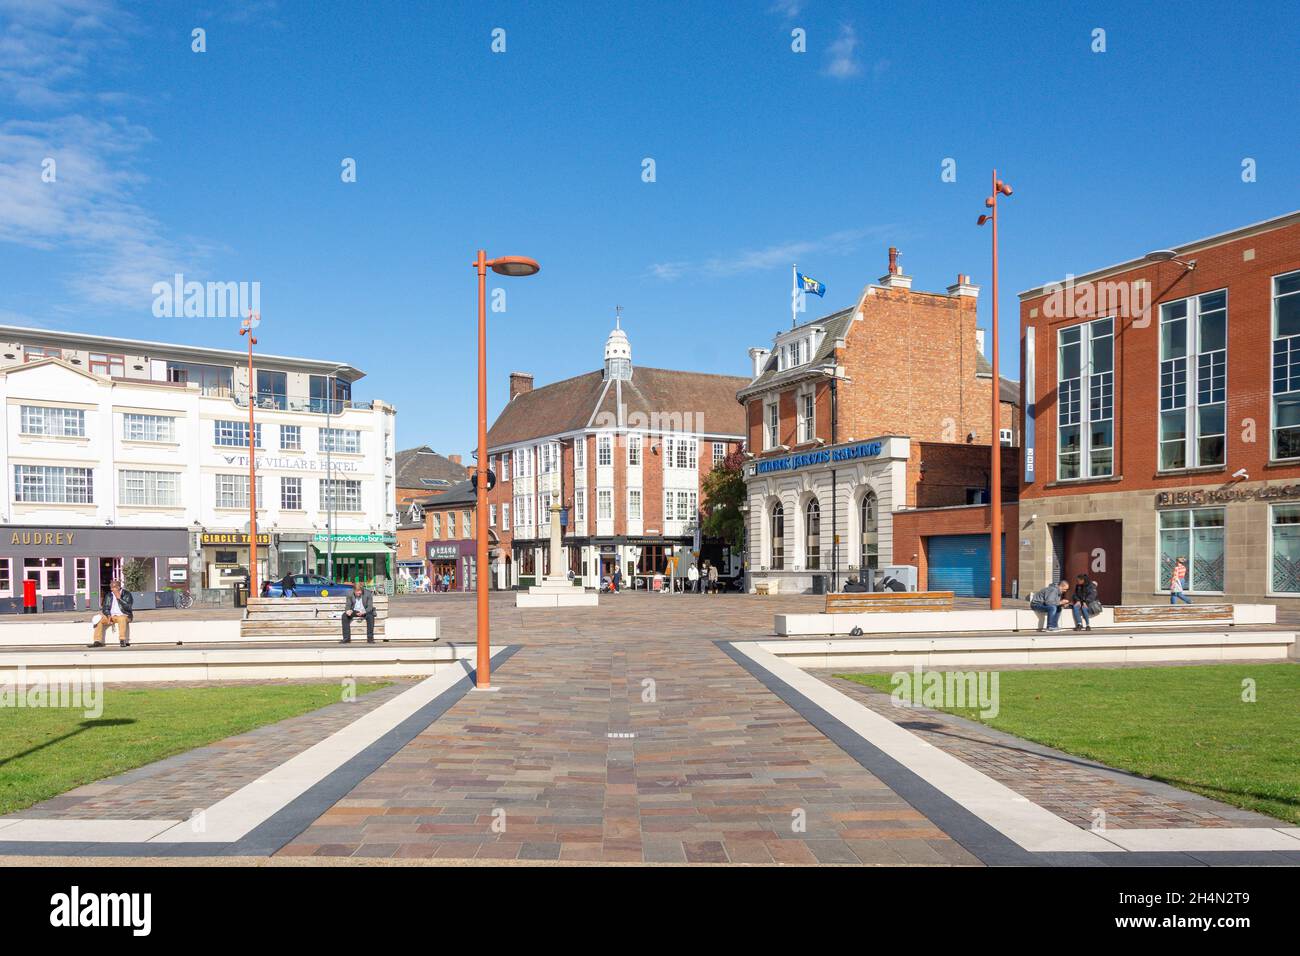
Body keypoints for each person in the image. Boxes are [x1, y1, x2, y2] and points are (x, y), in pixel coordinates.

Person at [93, 580, 133, 647]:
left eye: (113, 587)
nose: (112, 589)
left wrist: (120, 599)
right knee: (99, 619)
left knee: (121, 618)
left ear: (119, 587)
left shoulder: (127, 594)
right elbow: (105, 608)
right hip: (111, 616)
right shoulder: (109, 595)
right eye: (111, 587)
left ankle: (122, 640)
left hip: (125, 615)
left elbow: (129, 607)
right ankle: (97, 641)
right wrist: (108, 615)